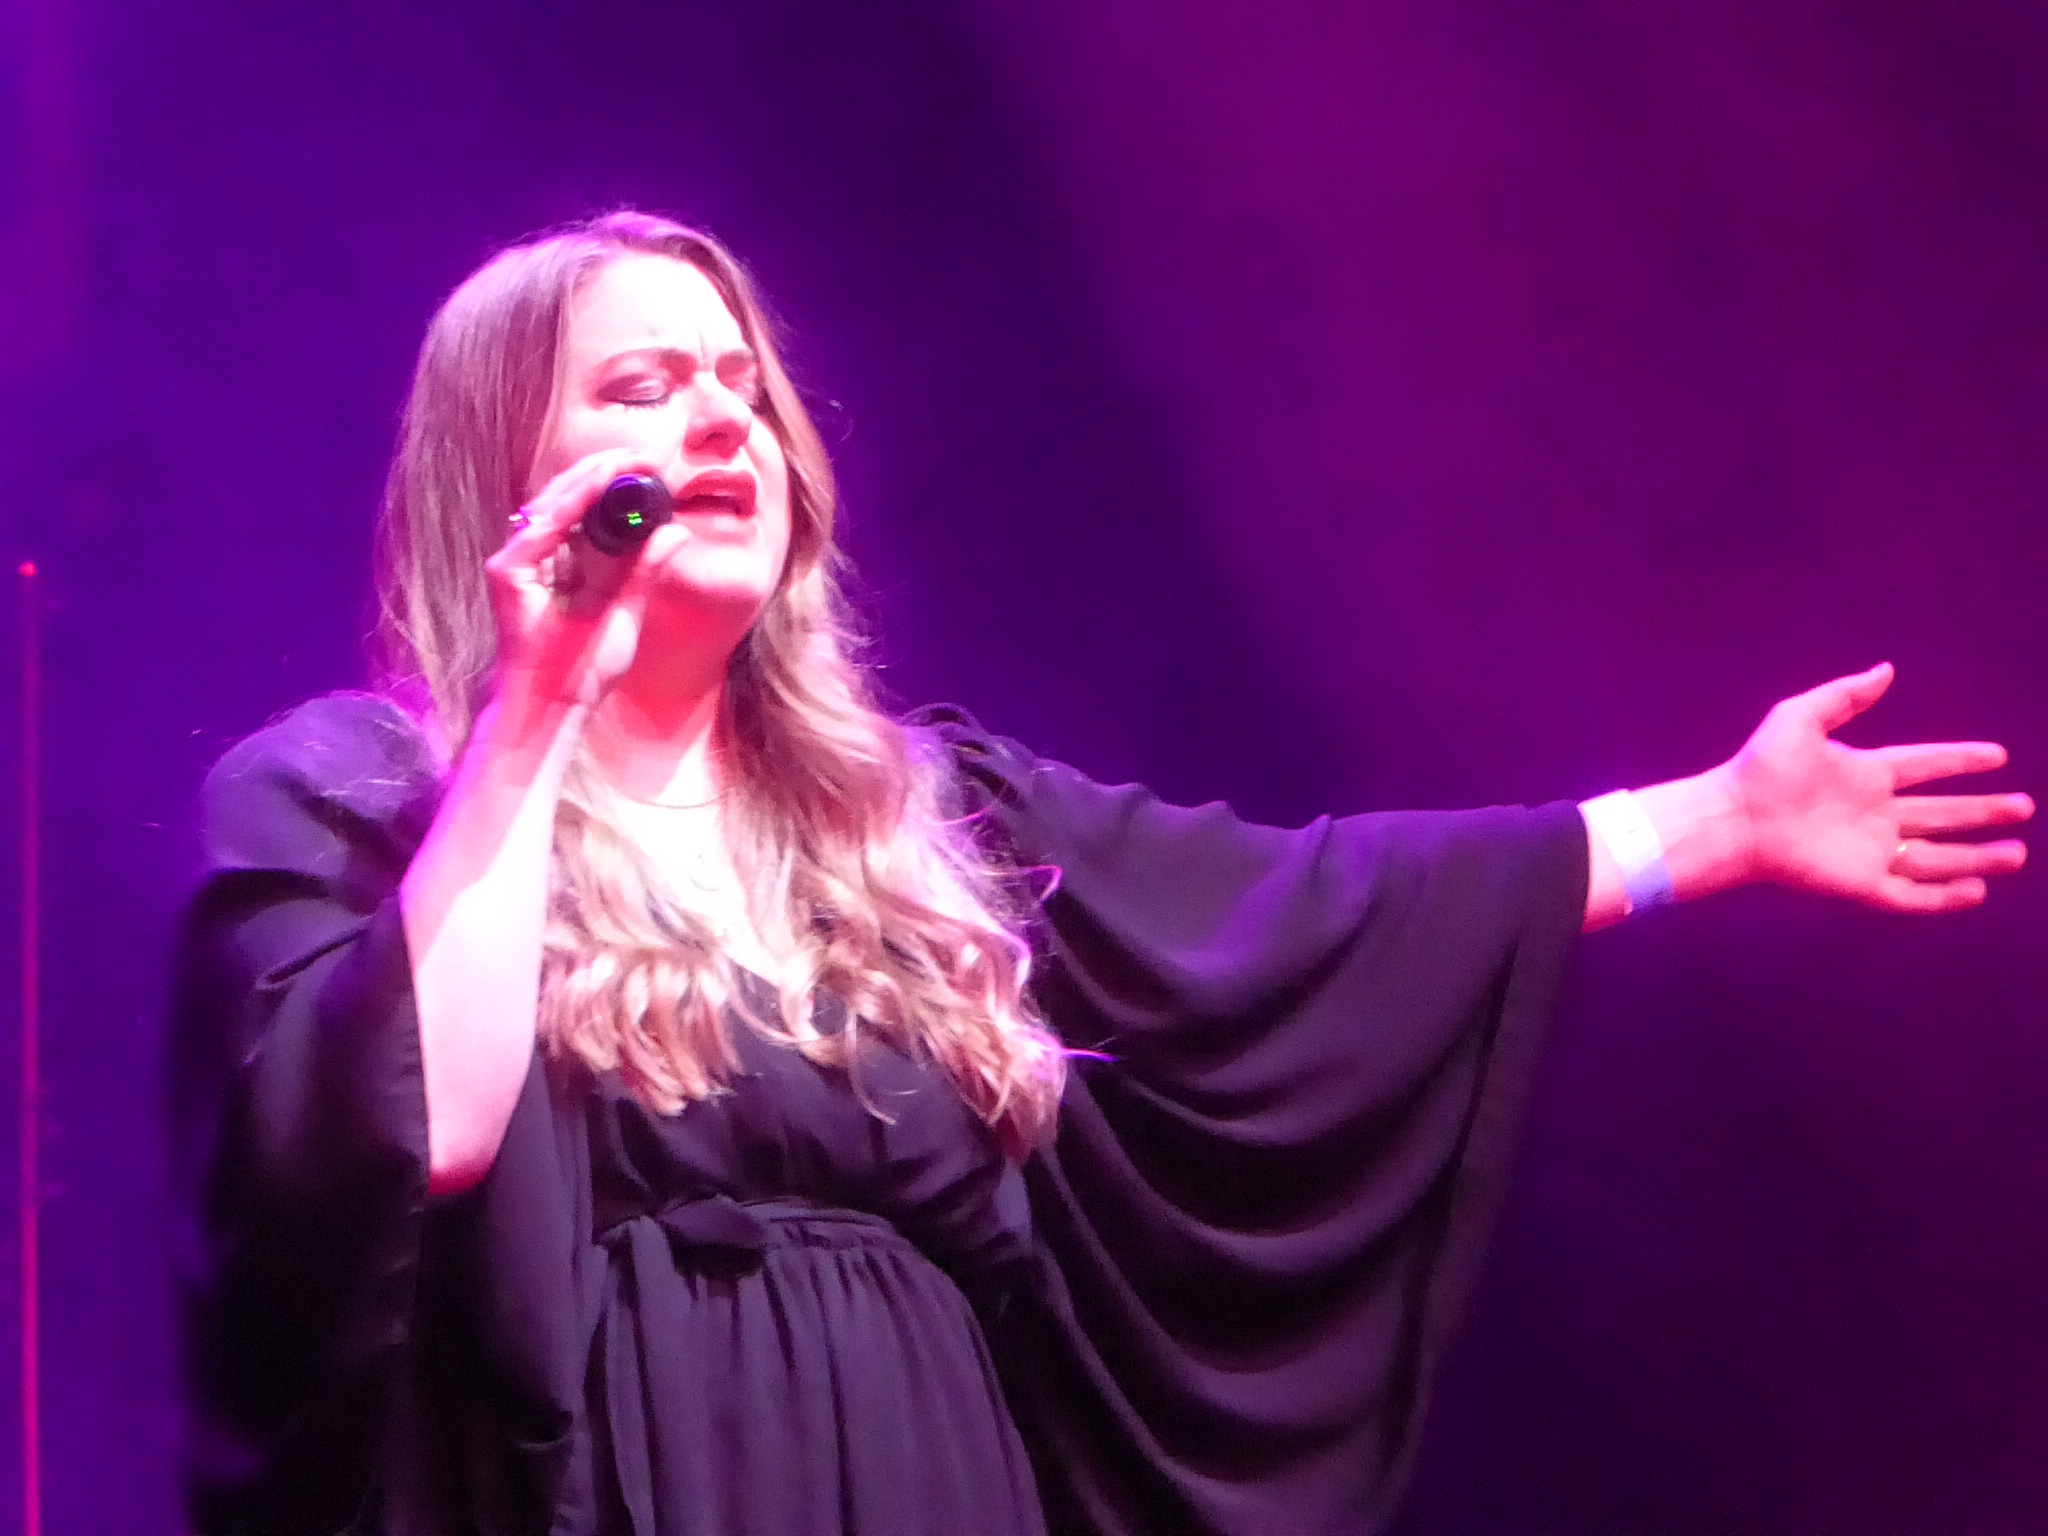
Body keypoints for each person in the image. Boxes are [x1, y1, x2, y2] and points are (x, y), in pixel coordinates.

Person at [166, 210, 2032, 1536]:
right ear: (507, 472)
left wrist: (1717, 822)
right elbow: (411, 1134)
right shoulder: (359, 800)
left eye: (742, 384)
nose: (722, 418)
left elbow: (1313, 920)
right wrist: (539, 710)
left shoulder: (925, 818)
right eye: (644, 389)